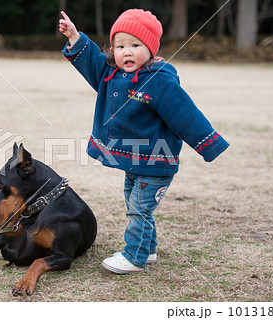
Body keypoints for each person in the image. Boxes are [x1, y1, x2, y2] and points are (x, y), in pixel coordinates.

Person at [59, 9, 229, 274]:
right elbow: (92, 61)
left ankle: (135, 257)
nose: (127, 52)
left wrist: (209, 144)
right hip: (135, 162)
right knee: (135, 204)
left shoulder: (159, 80)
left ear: (150, 49)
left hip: (156, 163)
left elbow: (186, 115)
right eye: (120, 46)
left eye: (135, 45)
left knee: (139, 210)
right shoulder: (110, 74)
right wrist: (74, 36)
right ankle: (147, 249)